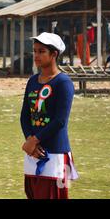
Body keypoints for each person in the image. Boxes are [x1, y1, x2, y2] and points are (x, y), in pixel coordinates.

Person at [20, 32, 78, 199]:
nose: (36, 56)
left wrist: (33, 140)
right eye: (35, 51)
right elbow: (25, 115)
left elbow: (60, 120)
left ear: (54, 54)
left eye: (41, 51)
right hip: (33, 152)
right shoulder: (32, 81)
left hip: (57, 154)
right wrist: (30, 141)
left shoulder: (63, 82)